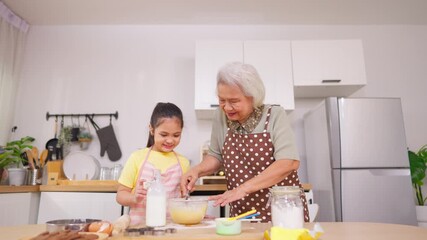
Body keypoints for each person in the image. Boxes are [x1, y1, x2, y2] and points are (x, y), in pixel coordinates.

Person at [181, 62, 309, 222]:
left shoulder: (275, 115)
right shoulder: (220, 117)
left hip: (282, 210)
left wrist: (243, 189)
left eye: (234, 101)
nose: (227, 107)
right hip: (242, 212)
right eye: (222, 100)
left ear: (252, 97)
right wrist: (196, 171)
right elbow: (216, 156)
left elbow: (288, 163)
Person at [117, 102, 190, 226]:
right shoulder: (137, 157)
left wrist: (187, 192)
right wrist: (134, 198)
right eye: (164, 134)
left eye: (176, 135)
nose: (170, 140)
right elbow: (120, 195)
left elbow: (184, 197)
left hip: (172, 228)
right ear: (151, 129)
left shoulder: (183, 162)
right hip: (140, 228)